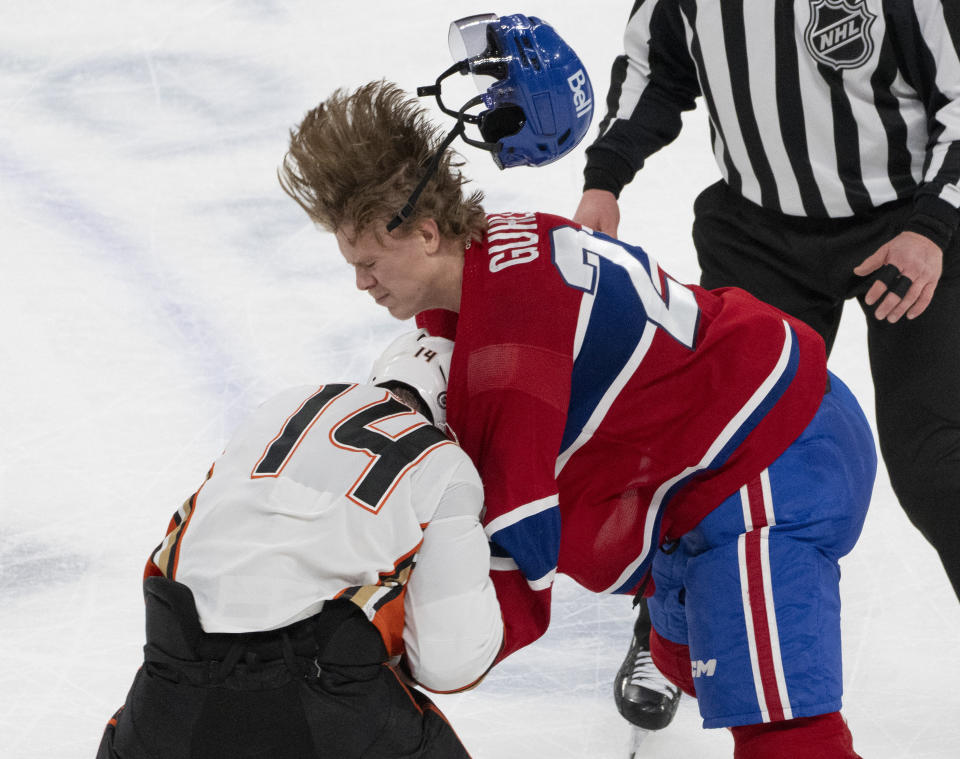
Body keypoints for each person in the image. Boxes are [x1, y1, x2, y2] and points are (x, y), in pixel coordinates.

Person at [278, 21, 878, 758]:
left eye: (369, 261)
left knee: (782, 728)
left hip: (769, 463)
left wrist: (377, 658)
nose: (361, 283)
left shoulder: (509, 345)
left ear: (427, 232)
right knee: (683, 661)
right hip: (739, 441)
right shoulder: (496, 250)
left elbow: (516, 553)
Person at [573, 2, 960, 610]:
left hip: (911, 227)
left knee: (935, 456)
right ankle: (669, 628)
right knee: (713, 447)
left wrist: (934, 226)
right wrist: (604, 178)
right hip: (761, 237)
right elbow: (656, 66)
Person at [96, 331, 503, 759]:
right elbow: (449, 664)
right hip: (325, 707)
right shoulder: (445, 464)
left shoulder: (277, 408)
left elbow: (182, 543)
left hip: (171, 698)